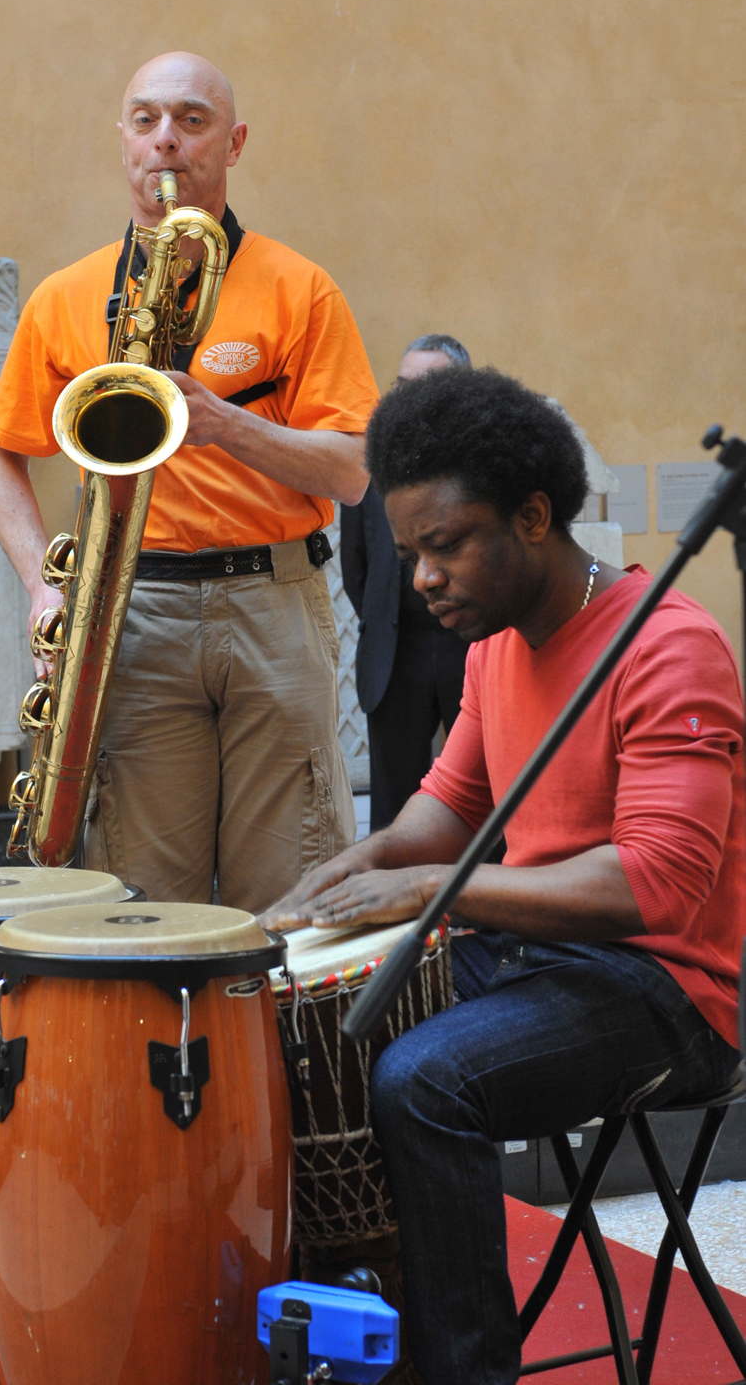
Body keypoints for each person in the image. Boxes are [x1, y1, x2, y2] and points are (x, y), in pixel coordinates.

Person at [261, 365, 745, 1385]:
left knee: (425, 1079)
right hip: (538, 956)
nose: (424, 579)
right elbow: (447, 810)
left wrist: (430, 894)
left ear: (533, 517)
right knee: (295, 1030)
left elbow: (653, 887)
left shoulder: (669, 645)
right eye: (411, 555)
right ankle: (363, 1334)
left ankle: (463, 1369)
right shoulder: (495, 648)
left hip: (671, 991)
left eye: (448, 545)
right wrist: (330, 886)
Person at [0, 52, 379, 911]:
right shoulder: (64, 296)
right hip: (132, 610)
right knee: (147, 893)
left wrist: (224, 421)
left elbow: (352, 470)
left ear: (233, 144)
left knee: (289, 886)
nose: (167, 141)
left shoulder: (303, 289)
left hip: (274, 601)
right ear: (123, 140)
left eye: (193, 121)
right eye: (147, 120)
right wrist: (41, 590)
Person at [340, 334, 471, 830]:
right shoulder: (372, 462)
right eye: (402, 385)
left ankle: (486, 883)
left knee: (487, 796)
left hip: (471, 647)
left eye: (426, 385)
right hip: (395, 654)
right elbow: (356, 565)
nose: (410, 398)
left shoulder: (486, 462)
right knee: (394, 810)